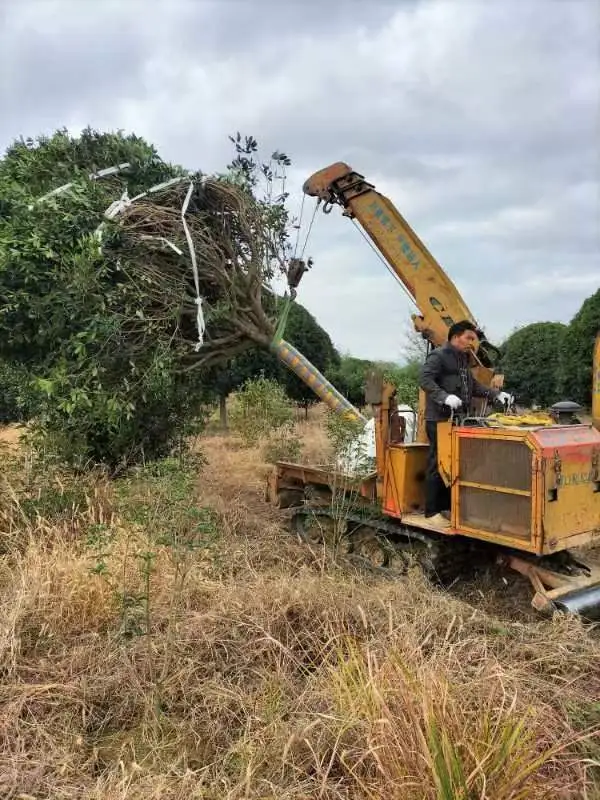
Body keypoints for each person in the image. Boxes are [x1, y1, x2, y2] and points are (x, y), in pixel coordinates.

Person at [419, 320, 512, 527]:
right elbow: (425, 380)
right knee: (438, 462)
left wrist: (496, 394)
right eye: (469, 338)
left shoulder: (462, 360)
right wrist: (444, 397)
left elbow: (474, 386)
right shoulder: (438, 356)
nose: (472, 342)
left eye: (474, 339)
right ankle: (432, 511)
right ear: (455, 337)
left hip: (459, 420)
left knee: (457, 463)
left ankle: (450, 506)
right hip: (440, 420)